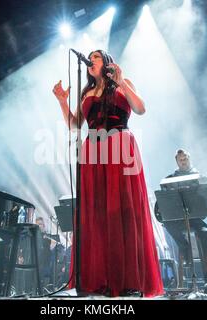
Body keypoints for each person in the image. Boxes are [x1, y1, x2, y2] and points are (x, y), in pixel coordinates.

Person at [52, 49, 163, 297]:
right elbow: (74, 126)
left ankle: (129, 280)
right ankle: (99, 278)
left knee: (123, 210)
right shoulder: (87, 92)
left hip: (120, 145)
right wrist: (62, 101)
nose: (91, 60)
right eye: (90, 57)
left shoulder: (124, 83)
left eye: (96, 56)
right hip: (93, 150)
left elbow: (141, 109)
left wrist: (121, 81)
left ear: (107, 62)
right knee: (98, 213)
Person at [154, 149, 207, 289]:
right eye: (181, 160)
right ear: (177, 162)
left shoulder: (198, 177)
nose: (183, 162)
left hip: (194, 218)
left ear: (190, 159)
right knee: (167, 223)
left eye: (185, 159)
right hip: (177, 218)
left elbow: (204, 208)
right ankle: (184, 247)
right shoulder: (170, 178)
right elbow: (164, 202)